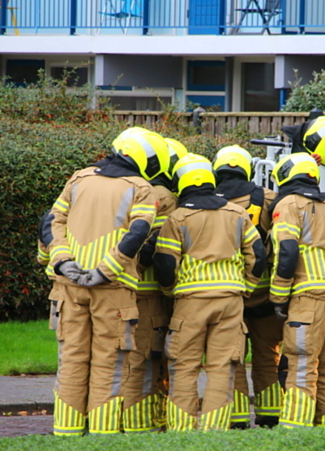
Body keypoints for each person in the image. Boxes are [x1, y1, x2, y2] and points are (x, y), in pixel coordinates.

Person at [46, 128, 170, 436]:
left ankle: (66, 431)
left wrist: (63, 262)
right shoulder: (141, 188)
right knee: (110, 362)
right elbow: (138, 232)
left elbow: (51, 222)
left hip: (69, 287)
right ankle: (103, 435)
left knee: (71, 358)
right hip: (113, 291)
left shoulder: (78, 179)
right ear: (147, 160)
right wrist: (106, 271)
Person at [153, 153, 267, 431]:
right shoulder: (237, 214)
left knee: (184, 365)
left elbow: (166, 263)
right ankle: (215, 431)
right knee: (223, 367)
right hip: (230, 301)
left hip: (190, 302)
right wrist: (246, 288)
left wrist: (170, 291)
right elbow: (259, 256)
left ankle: (182, 429)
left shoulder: (178, 218)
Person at [269, 153, 325, 428]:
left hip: (308, 296)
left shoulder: (288, 204)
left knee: (302, 365)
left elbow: (287, 251)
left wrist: (278, 296)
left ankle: (295, 431)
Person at [121, 136, 187, 433]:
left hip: (118, 286)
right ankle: (141, 425)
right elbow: (156, 248)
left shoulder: (127, 187)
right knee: (147, 358)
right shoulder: (162, 196)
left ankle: (124, 420)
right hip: (148, 293)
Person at [212, 145, 281, 429]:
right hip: (265, 297)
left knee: (232, 359)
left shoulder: (207, 201)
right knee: (267, 357)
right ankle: (270, 415)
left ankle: (237, 418)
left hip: (228, 295)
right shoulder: (269, 199)